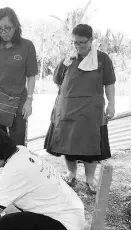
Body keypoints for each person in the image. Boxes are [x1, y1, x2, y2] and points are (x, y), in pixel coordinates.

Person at [44, 24, 116, 193]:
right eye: (75, 43)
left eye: (82, 43)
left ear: (91, 40)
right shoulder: (69, 59)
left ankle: (90, 180)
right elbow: (57, 81)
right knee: (68, 144)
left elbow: (110, 83)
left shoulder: (102, 59)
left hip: (91, 110)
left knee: (90, 146)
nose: (78, 46)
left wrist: (111, 104)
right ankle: (71, 174)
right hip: (67, 108)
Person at [0, 7, 38, 146]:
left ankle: (16, 168)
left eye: (8, 28)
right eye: (0, 28)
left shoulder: (27, 46)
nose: (4, 32)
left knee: (17, 145)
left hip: (18, 103)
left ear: (16, 26)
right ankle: (2, 168)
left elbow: (31, 76)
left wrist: (29, 101)